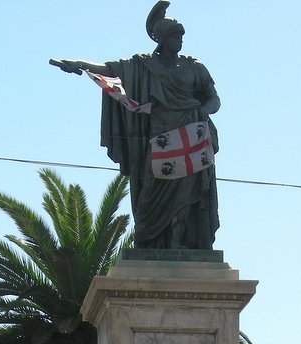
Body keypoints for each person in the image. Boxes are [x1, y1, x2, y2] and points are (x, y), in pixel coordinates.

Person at [52, 2, 220, 250]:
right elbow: (109, 69)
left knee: (186, 190)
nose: (180, 41)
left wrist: (199, 112)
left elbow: (214, 99)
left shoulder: (195, 68)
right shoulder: (143, 66)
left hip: (192, 137)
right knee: (152, 190)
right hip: (160, 137)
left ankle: (177, 242)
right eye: (176, 36)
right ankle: (150, 238)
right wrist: (78, 63)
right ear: (162, 39)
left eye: (182, 36)